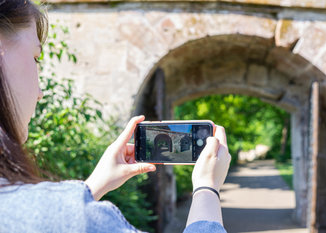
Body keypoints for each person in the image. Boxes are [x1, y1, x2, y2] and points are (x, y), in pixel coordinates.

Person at [0, 0, 231, 232]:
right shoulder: (78, 219)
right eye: (35, 58)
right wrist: (207, 189)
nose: (40, 93)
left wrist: (93, 187)